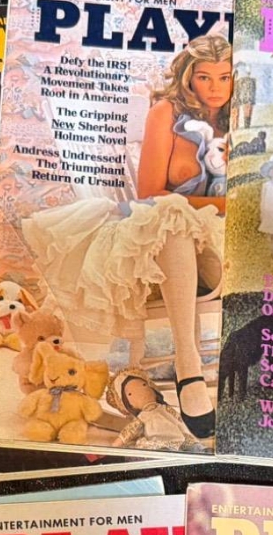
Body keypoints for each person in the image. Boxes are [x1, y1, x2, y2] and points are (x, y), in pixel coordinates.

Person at [20, 33, 230, 443]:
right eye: (205, 77)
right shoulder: (166, 112)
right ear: (188, 76)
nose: (215, 88)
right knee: (172, 217)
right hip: (162, 243)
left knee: (183, 219)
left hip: (222, 245)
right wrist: (224, 203)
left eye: (225, 77)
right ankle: (189, 369)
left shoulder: (244, 115)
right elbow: (151, 192)